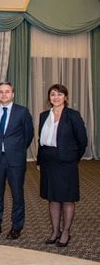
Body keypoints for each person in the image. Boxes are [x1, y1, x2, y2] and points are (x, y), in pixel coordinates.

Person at [37, 84, 87, 247]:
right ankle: (55, 231)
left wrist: (72, 158)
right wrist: (39, 161)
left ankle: (65, 232)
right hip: (48, 162)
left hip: (66, 163)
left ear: (65, 97)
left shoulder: (73, 115)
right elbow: (40, 140)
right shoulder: (44, 115)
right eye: (53, 94)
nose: (56, 97)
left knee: (67, 198)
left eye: (59, 94)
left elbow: (82, 141)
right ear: (49, 97)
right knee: (53, 198)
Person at [0, 82, 33, 240]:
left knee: (17, 194)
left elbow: (28, 135)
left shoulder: (22, 112)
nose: (4, 94)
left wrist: (16, 149)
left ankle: (16, 227)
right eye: (1, 92)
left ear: (13, 94)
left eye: (7, 91)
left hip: (15, 160)